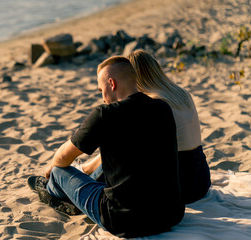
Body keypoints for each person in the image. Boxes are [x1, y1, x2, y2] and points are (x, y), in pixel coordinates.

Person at [28, 56, 185, 238]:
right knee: (122, 160)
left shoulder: (105, 114)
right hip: (171, 215)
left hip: (124, 219)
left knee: (58, 172)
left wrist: (51, 167)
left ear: (111, 83)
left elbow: (64, 157)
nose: (102, 97)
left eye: (101, 90)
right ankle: (68, 193)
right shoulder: (163, 108)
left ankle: (52, 190)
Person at [81, 50, 211, 204]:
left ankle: (80, 181)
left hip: (180, 185)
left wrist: (87, 168)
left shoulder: (154, 104)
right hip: (201, 179)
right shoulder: (180, 93)